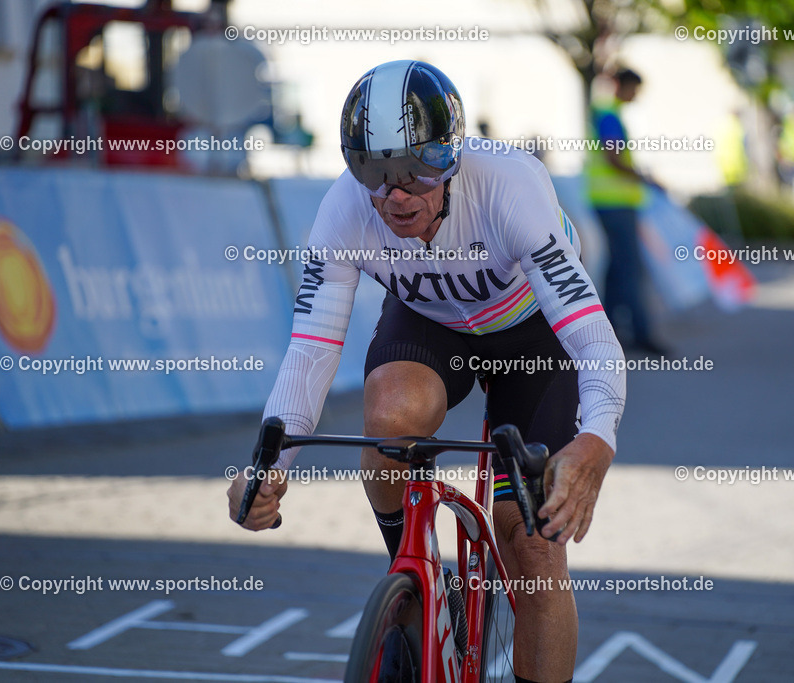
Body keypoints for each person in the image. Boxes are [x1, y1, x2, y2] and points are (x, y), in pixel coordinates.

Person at [226, 60, 626, 683]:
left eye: (416, 170)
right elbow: (309, 351)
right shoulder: (343, 212)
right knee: (389, 422)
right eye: (374, 173)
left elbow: (594, 339)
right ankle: (417, 582)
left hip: (532, 330)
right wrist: (266, 471)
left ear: (452, 157)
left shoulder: (510, 187)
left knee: (533, 549)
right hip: (433, 324)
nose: (395, 194)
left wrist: (596, 438)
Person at [584, 67, 669, 354]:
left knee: (618, 269)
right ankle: (641, 333)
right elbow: (613, 159)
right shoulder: (609, 115)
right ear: (621, 86)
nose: (636, 94)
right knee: (630, 269)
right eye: (634, 88)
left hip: (609, 201)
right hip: (616, 203)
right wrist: (644, 178)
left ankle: (607, 330)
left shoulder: (607, 113)